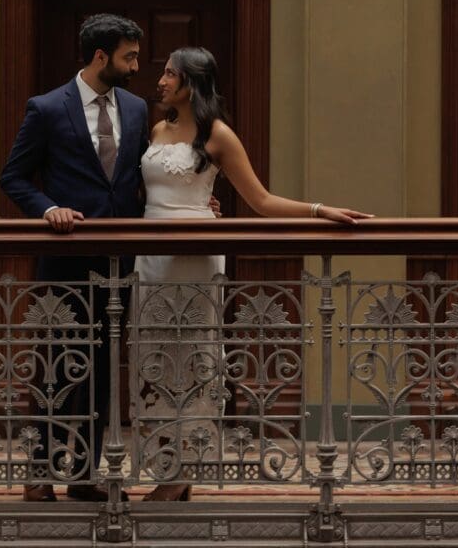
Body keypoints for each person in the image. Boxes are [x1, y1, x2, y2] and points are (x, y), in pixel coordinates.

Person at [134, 46, 374, 502]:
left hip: (196, 257)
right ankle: (167, 462)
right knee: (155, 361)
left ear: (191, 82)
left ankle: (181, 472)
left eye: (169, 74)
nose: (160, 81)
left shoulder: (219, 135)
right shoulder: (158, 128)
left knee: (193, 361)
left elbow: (261, 201)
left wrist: (321, 210)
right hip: (150, 257)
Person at [0, 13, 148, 503]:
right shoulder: (46, 108)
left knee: (107, 366)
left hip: (120, 261)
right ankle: (40, 469)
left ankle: (86, 474)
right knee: (59, 364)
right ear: (100, 55)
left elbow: (140, 177)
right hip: (64, 259)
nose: (136, 64)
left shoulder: (137, 107)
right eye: (128, 56)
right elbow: (14, 177)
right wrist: (49, 209)